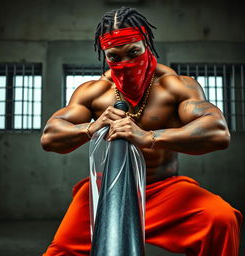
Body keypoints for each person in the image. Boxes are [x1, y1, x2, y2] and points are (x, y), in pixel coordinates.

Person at [41, 7, 242, 256]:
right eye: (114, 57)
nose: (125, 63)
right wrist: (91, 127)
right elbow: (50, 137)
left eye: (133, 52)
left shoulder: (174, 86)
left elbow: (218, 132)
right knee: (60, 250)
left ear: (146, 42)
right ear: (105, 55)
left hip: (164, 190)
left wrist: (149, 137)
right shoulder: (95, 91)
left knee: (221, 219)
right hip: (107, 190)